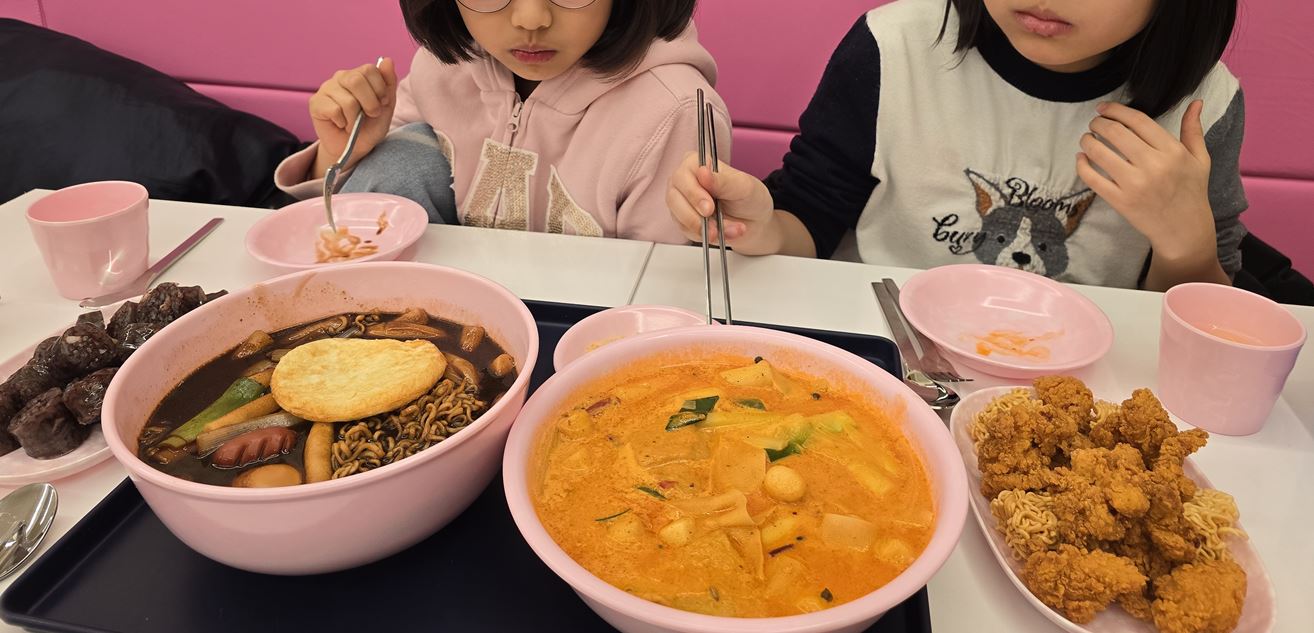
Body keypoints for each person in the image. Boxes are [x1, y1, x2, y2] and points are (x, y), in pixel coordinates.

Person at [667, 0, 1245, 291]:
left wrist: (1185, 248)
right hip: (884, 357)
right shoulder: (896, 47)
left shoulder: (1203, 106)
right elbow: (809, 222)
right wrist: (760, 227)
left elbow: (1205, 323)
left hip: (1083, 400)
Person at [277, 0, 728, 242]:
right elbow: (373, 202)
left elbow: (665, 297)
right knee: (396, 157)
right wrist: (342, 155)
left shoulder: (674, 110)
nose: (531, 18)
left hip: (585, 345)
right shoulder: (444, 67)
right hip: (443, 335)